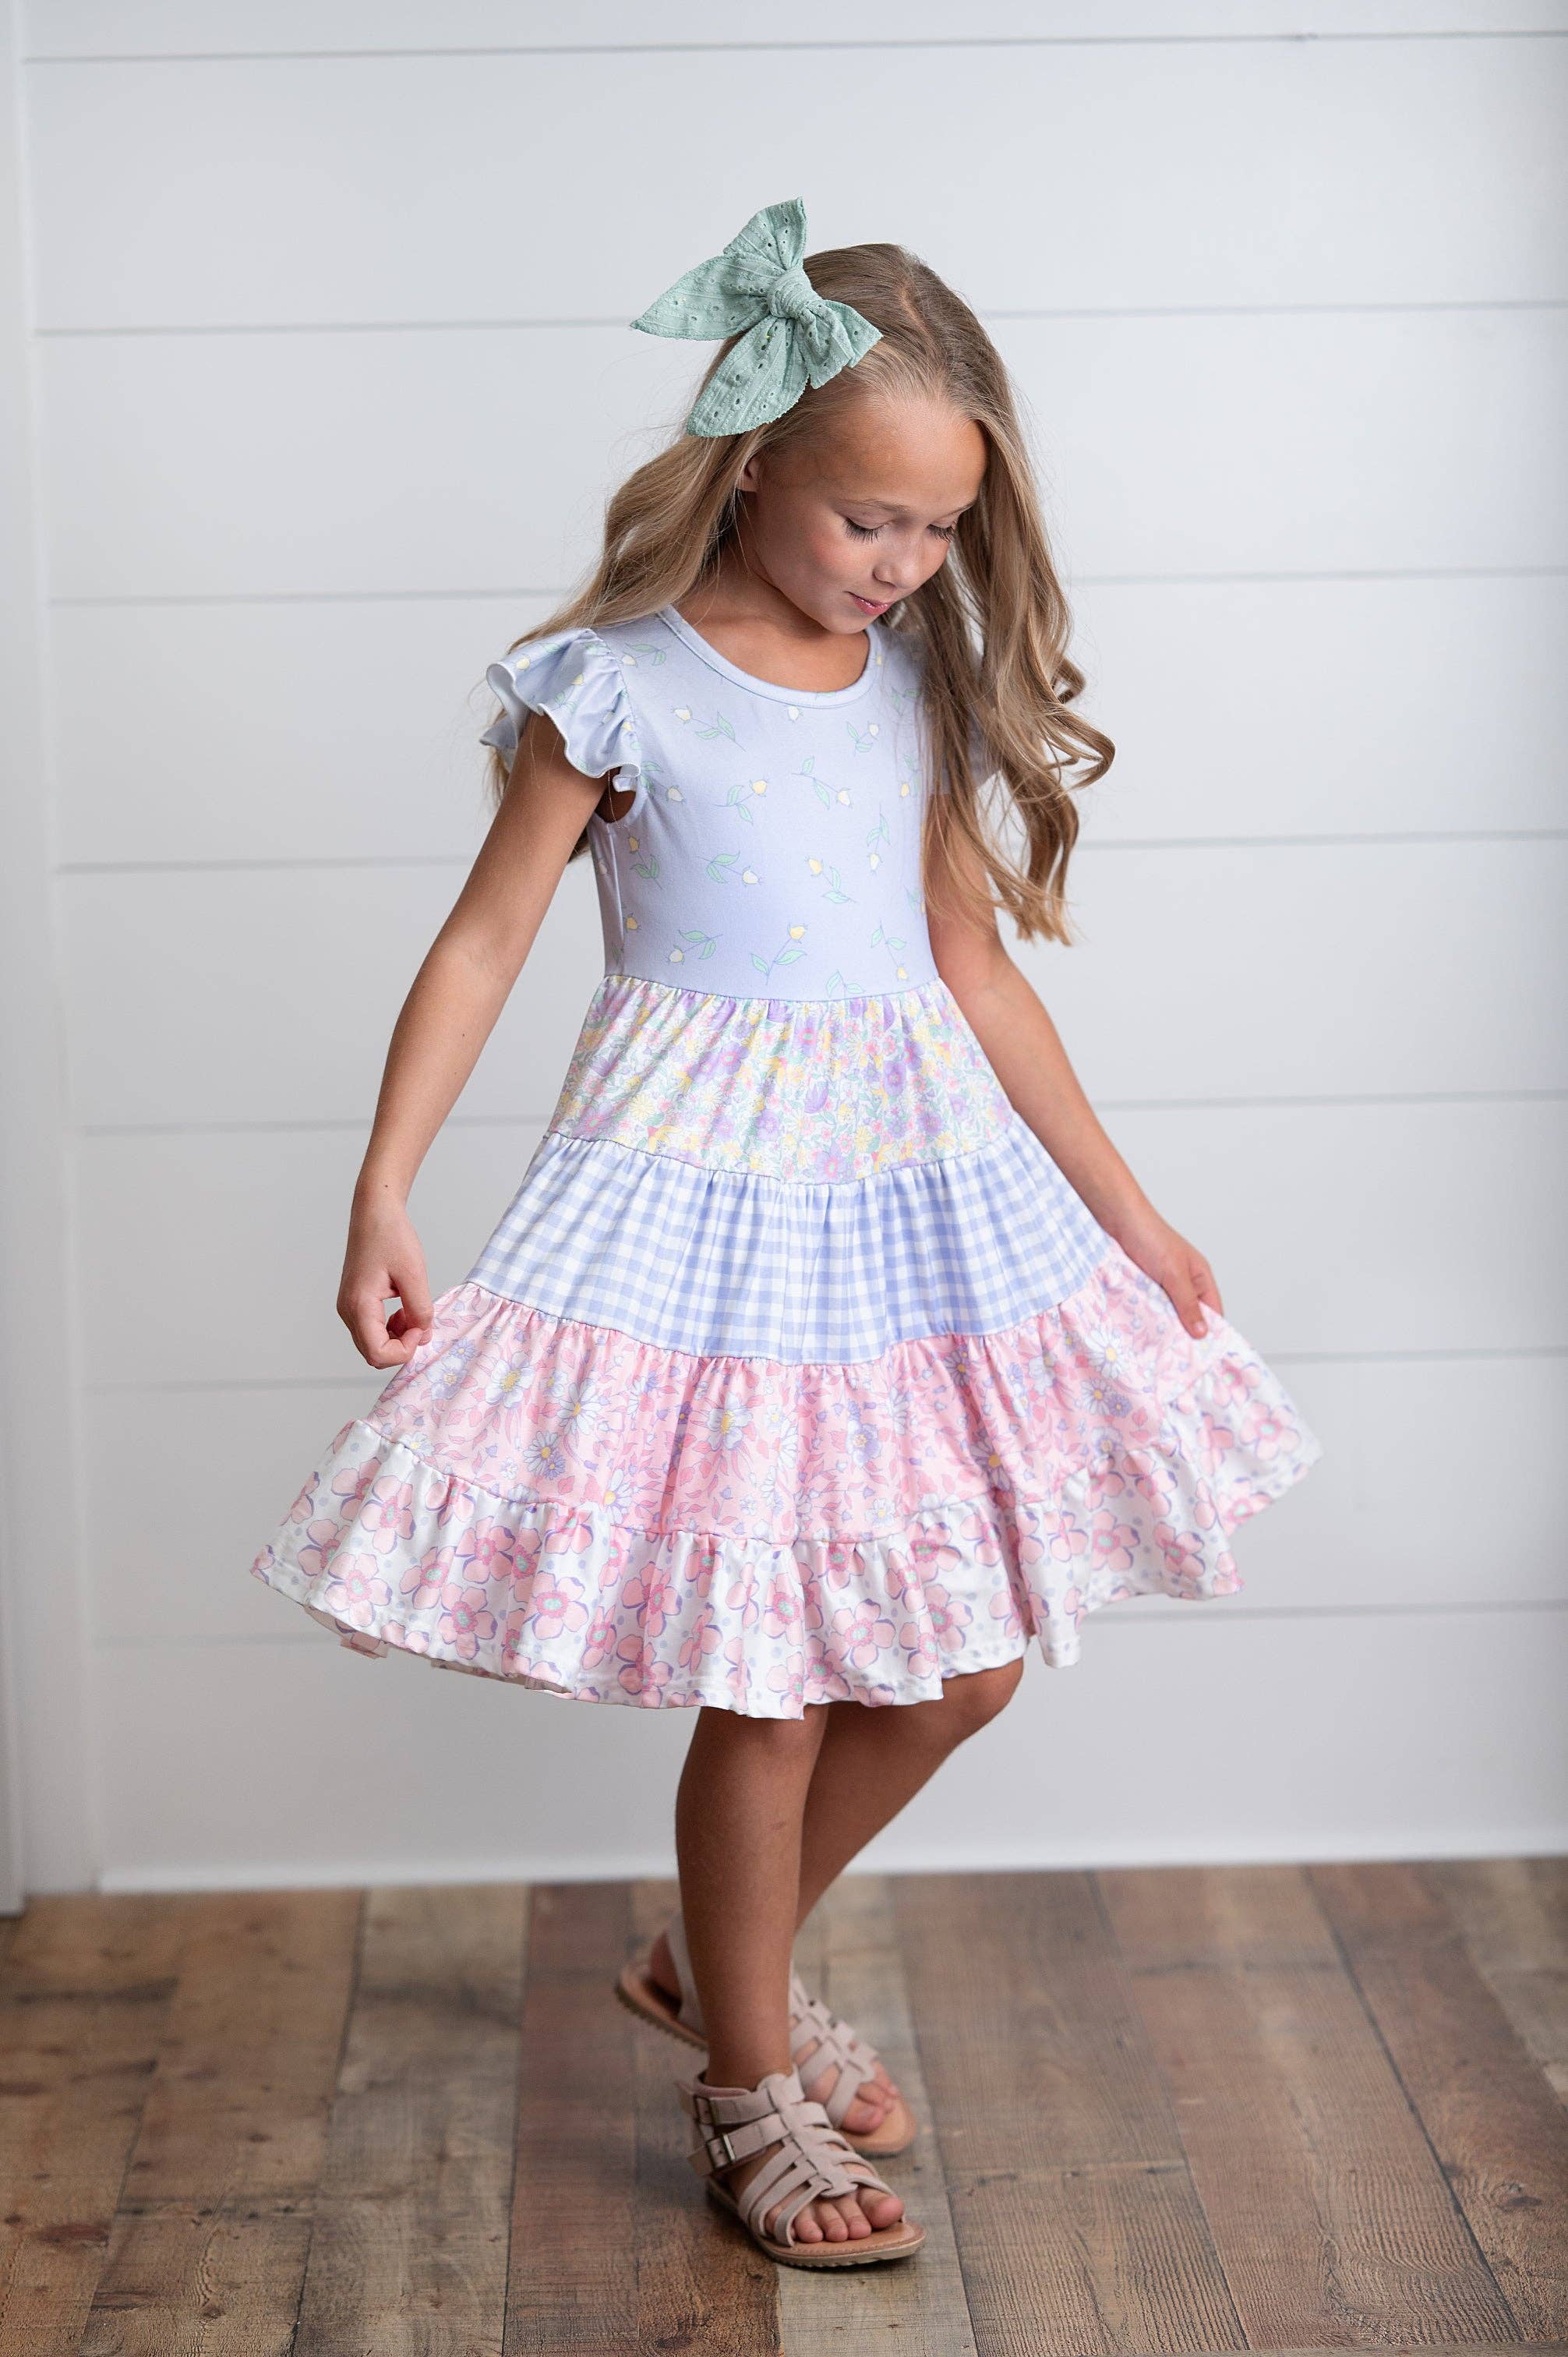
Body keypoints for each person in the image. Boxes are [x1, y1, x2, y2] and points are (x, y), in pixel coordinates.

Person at [248, 200, 1323, 2270]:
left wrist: (1131, 1214)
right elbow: (483, 944)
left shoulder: (912, 680)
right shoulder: (615, 688)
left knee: (962, 1664)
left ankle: (706, 1962)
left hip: (909, 1206)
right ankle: (748, 2081)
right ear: (751, 462)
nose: (902, 564)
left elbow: (972, 967)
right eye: (866, 519)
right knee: (775, 1675)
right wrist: (384, 1184)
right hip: (701, 1211)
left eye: (937, 530)